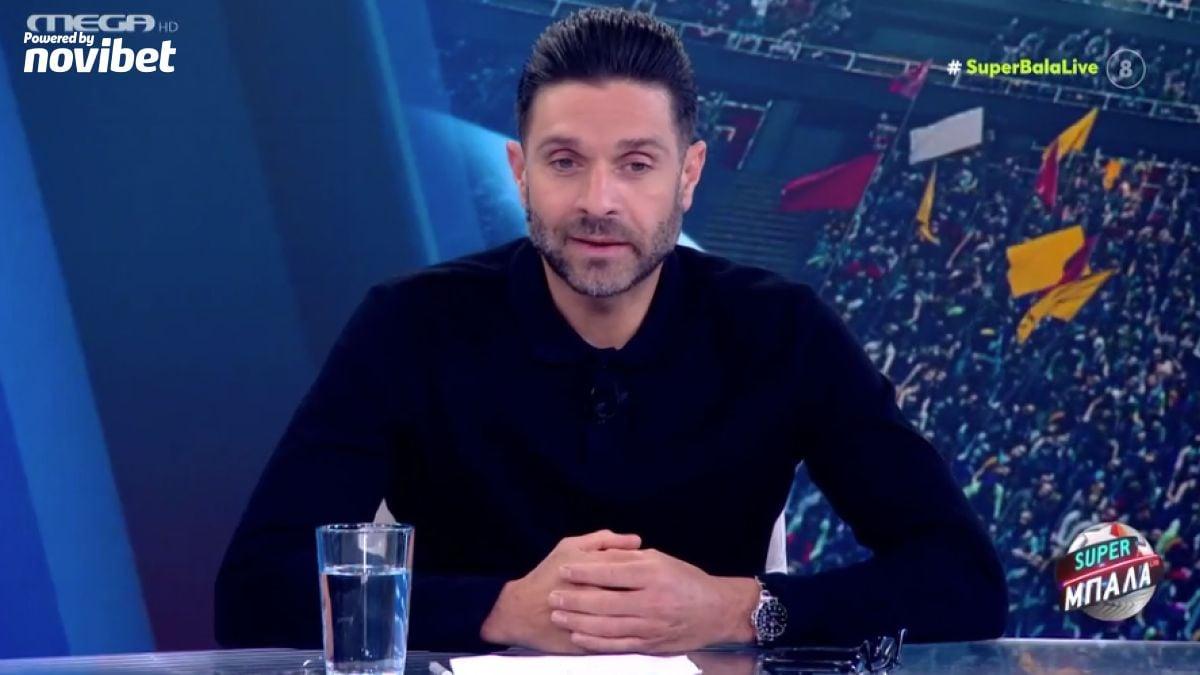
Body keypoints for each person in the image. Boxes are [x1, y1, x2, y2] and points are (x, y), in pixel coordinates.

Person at [215, 7, 1007, 654]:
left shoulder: (782, 329)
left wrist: (740, 608)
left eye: (636, 164)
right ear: (520, 173)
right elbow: (254, 589)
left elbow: (963, 578)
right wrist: (500, 608)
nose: (599, 201)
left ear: (688, 175)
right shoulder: (409, 324)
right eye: (565, 161)